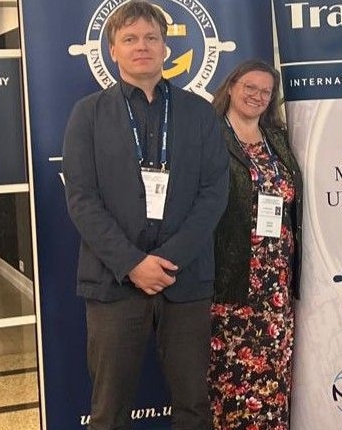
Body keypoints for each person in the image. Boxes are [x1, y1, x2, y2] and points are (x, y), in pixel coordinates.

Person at [62, 1, 228, 429]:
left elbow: (214, 193)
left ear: (165, 48)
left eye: (151, 37)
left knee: (194, 406)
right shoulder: (88, 114)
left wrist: (168, 259)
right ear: (113, 50)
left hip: (184, 281)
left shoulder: (200, 112)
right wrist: (133, 263)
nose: (142, 46)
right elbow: (81, 198)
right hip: (113, 281)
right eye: (130, 38)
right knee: (109, 411)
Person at [207, 60, 302, 429]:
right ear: (231, 86)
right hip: (232, 277)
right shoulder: (211, 135)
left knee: (273, 379)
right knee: (230, 379)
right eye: (250, 87)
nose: (257, 96)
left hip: (277, 283)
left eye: (266, 91)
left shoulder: (277, 139)